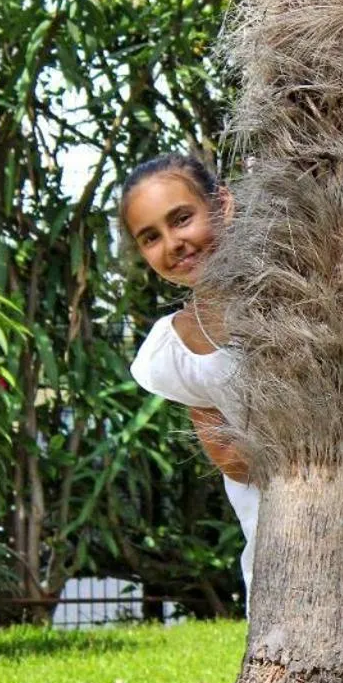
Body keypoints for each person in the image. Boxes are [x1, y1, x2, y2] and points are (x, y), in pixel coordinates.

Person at [120, 153, 258, 598]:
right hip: (276, 539)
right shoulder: (179, 347)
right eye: (150, 238)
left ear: (223, 205)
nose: (173, 243)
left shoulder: (296, 289)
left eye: (182, 219)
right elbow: (234, 461)